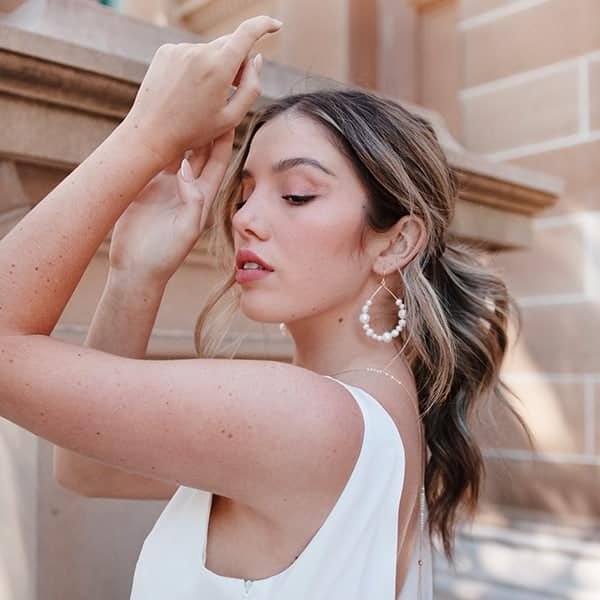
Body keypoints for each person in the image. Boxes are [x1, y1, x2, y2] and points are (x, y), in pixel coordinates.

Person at [0, 15, 522, 600]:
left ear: (396, 242)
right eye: (245, 193)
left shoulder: (307, 417)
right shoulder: (372, 413)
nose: (245, 218)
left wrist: (145, 136)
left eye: (296, 194)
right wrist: (134, 274)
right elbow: (89, 468)